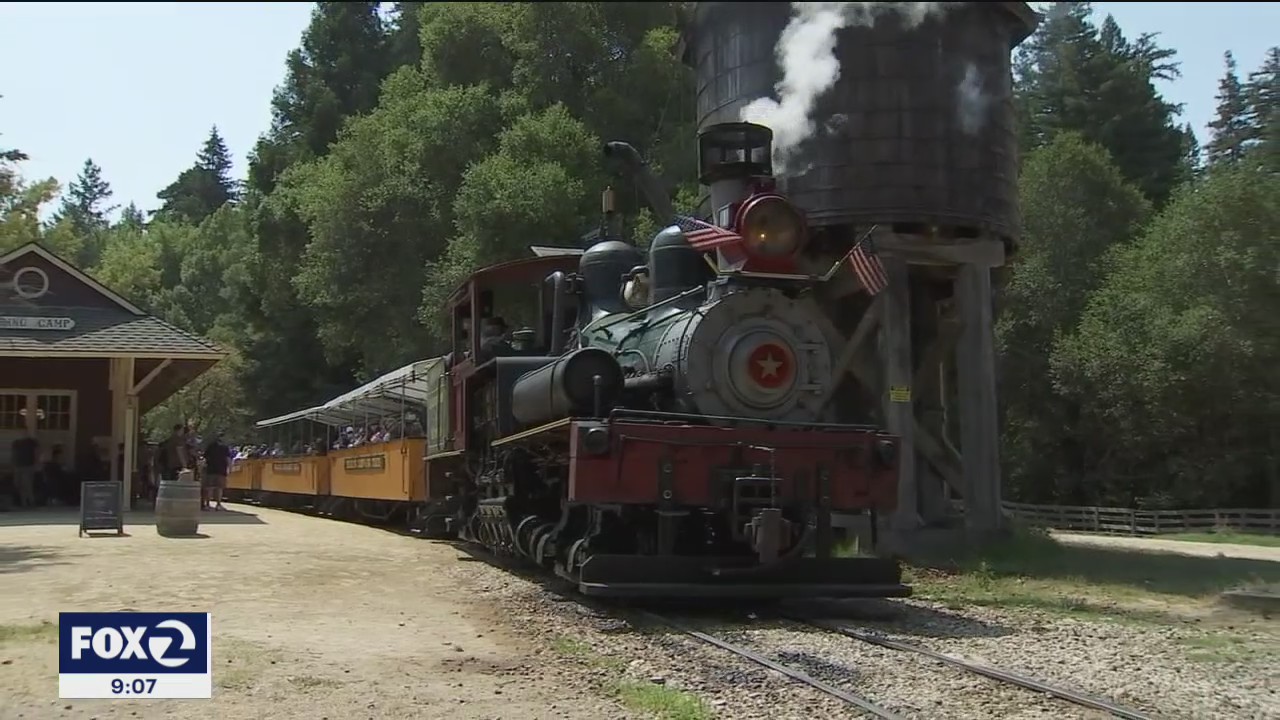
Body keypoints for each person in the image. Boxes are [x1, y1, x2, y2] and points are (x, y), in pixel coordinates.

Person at [202, 432, 231, 511]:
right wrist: (229, 469)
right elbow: (228, 459)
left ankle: (207, 504)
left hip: (210, 470)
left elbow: (205, 458)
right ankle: (218, 504)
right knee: (219, 488)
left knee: (209, 488)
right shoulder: (225, 448)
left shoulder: (210, 446)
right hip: (221, 470)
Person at [11, 431, 39, 508]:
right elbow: (14, 454)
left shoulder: (31, 442)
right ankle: (24, 502)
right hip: (19, 466)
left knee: (27, 484)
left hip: (28, 465)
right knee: (19, 484)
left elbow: (36, 452)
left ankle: (31, 501)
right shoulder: (16, 442)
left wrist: (36, 463)